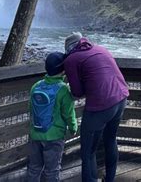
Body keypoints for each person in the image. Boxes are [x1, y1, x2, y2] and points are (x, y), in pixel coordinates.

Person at [64, 32, 129, 182]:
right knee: (110, 139)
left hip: (101, 105)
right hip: (121, 98)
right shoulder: (101, 49)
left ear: (69, 49)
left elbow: (77, 92)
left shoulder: (71, 59)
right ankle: (110, 179)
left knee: (88, 150)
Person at [27, 52, 78, 182]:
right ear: (63, 70)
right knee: (52, 170)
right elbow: (68, 113)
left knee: (34, 168)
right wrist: (73, 128)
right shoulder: (63, 89)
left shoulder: (36, 86)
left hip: (35, 134)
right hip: (54, 137)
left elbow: (30, 109)